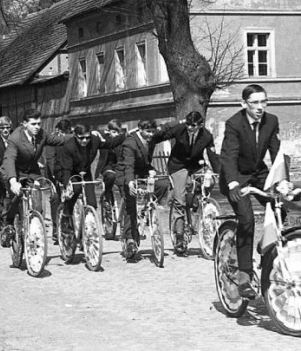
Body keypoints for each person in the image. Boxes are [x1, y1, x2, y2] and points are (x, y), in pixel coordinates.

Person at [219, 84, 280, 299]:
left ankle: (266, 246)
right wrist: (233, 184)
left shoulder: (271, 121)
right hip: (236, 176)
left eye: (264, 101)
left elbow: (277, 153)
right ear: (244, 104)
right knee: (246, 219)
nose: (260, 107)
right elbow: (228, 156)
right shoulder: (234, 124)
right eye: (254, 102)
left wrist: (283, 182)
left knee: (279, 205)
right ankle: (244, 275)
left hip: (258, 173)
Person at [0, 107, 71, 244]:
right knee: (16, 195)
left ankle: (34, 222)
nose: (37, 127)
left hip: (32, 171)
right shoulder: (15, 138)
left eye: (39, 123)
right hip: (15, 171)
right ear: (24, 124)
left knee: (38, 198)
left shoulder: (42, 135)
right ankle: (8, 224)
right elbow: (9, 159)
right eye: (33, 124)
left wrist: (79, 136)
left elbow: (58, 140)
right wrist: (13, 181)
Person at [153, 111, 220, 252]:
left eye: (193, 125)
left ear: (200, 125)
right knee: (180, 200)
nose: (190, 127)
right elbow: (158, 136)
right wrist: (173, 123)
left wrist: (218, 173)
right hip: (178, 166)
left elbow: (212, 155)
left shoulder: (207, 136)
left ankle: (197, 204)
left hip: (196, 165)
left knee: (210, 180)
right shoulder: (180, 129)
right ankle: (179, 236)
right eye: (188, 124)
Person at [57, 122, 125, 246]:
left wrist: (123, 135)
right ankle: (66, 214)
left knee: (92, 203)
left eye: (87, 137)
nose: (85, 141)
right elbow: (66, 170)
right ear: (75, 136)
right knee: (76, 190)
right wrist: (68, 186)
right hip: (71, 172)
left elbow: (109, 143)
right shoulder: (69, 146)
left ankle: (87, 231)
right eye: (81, 138)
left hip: (86, 172)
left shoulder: (94, 140)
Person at [114, 119, 170, 260]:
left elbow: (166, 129)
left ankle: (149, 207)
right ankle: (129, 239)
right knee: (130, 203)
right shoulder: (129, 143)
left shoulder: (151, 138)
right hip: (127, 173)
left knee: (163, 183)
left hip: (144, 170)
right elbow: (128, 166)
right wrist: (131, 182)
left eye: (152, 131)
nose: (151, 135)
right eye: (148, 132)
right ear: (139, 129)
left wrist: (182, 121)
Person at [94, 119, 125, 238]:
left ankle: (125, 218)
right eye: (113, 132)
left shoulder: (123, 140)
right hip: (108, 166)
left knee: (125, 185)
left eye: (117, 132)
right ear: (109, 131)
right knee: (110, 176)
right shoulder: (105, 140)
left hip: (120, 166)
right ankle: (107, 196)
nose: (115, 135)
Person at [45, 118, 72, 243]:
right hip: (53, 172)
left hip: (67, 171)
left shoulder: (71, 138)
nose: (65, 136)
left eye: (68, 132)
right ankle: (56, 227)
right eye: (63, 133)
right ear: (58, 131)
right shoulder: (52, 140)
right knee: (56, 197)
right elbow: (50, 159)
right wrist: (55, 177)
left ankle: (71, 224)